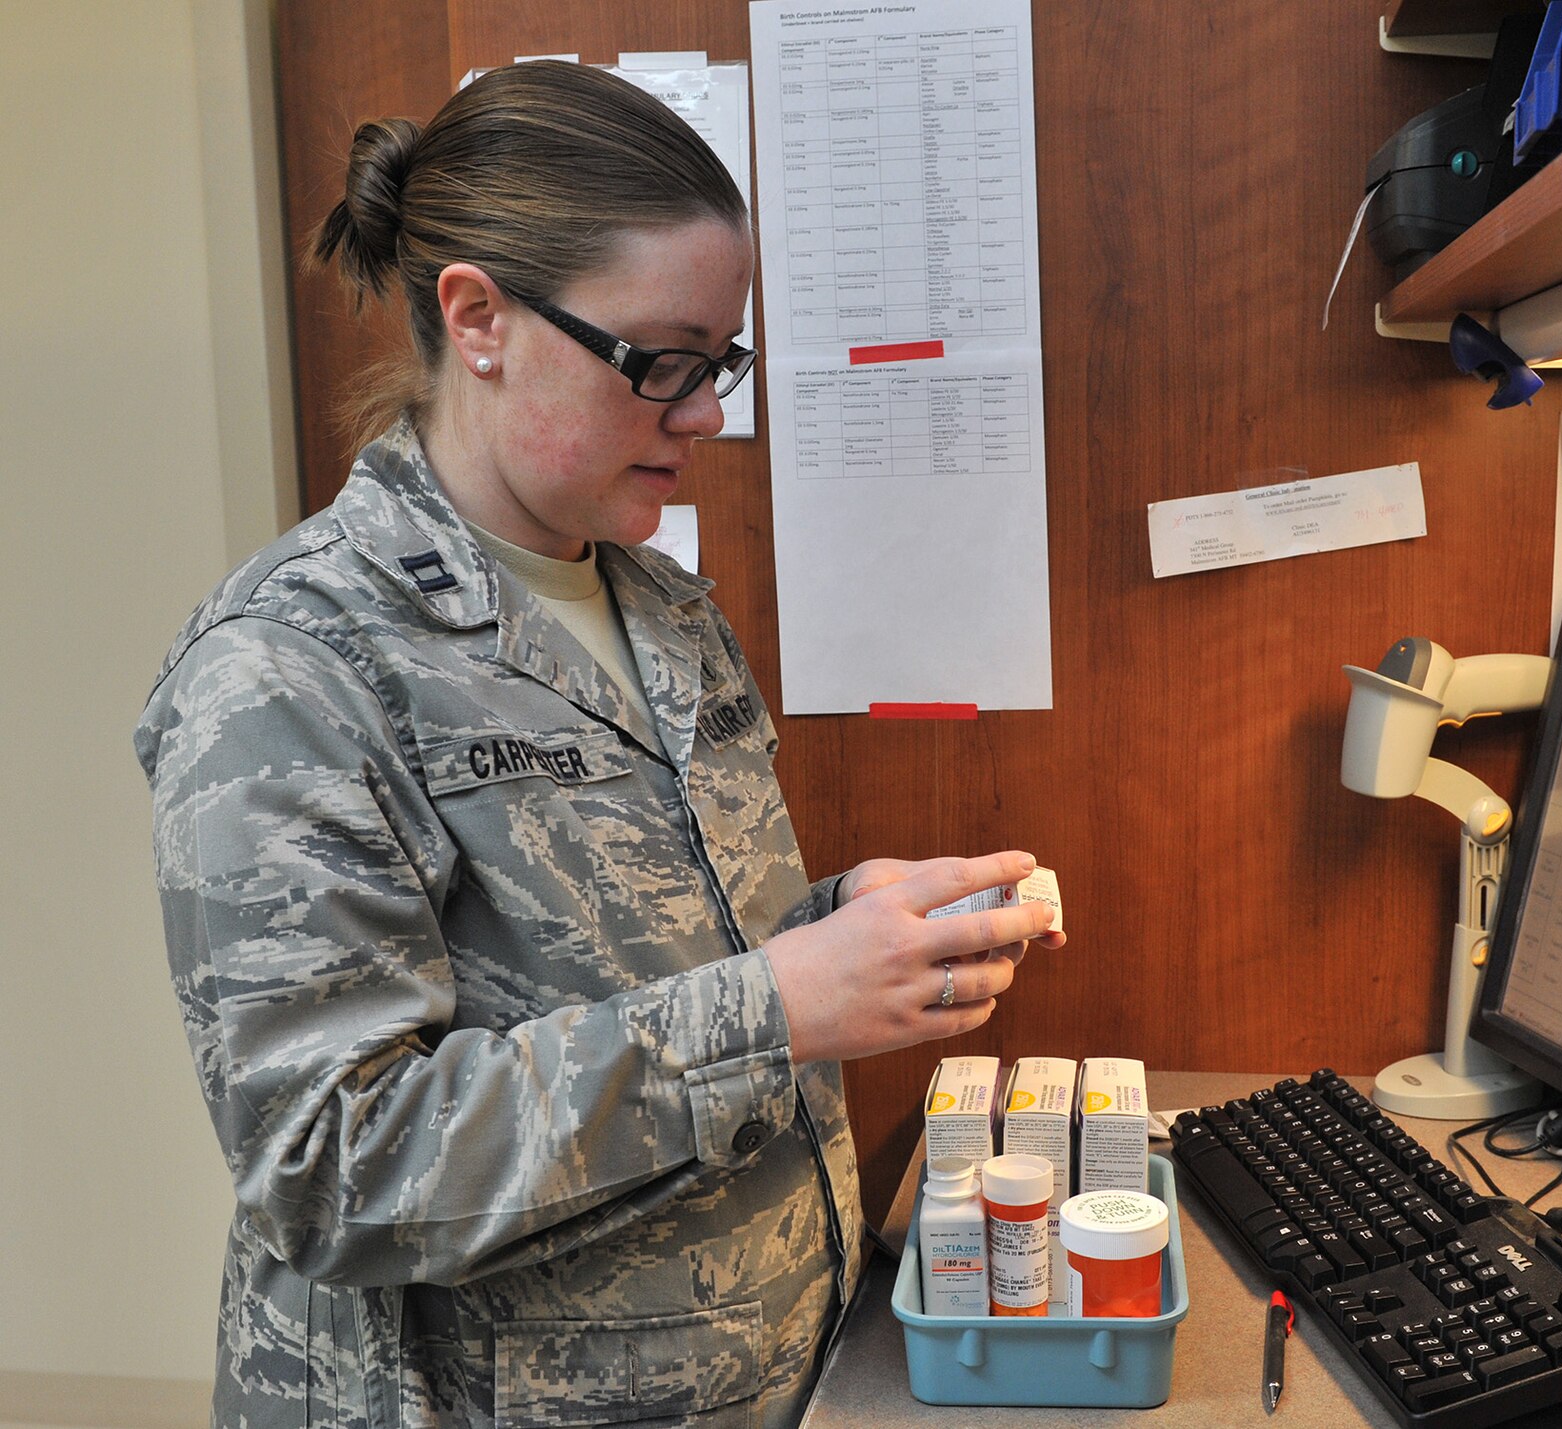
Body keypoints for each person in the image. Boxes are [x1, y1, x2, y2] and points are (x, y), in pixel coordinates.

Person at [134, 60, 1059, 1429]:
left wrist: (841, 933)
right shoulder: (290, 667)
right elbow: (330, 1166)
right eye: (661, 363)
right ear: (480, 316)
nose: (706, 414)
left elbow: (644, 980)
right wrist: (785, 1002)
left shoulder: (663, 609)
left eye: (720, 360)